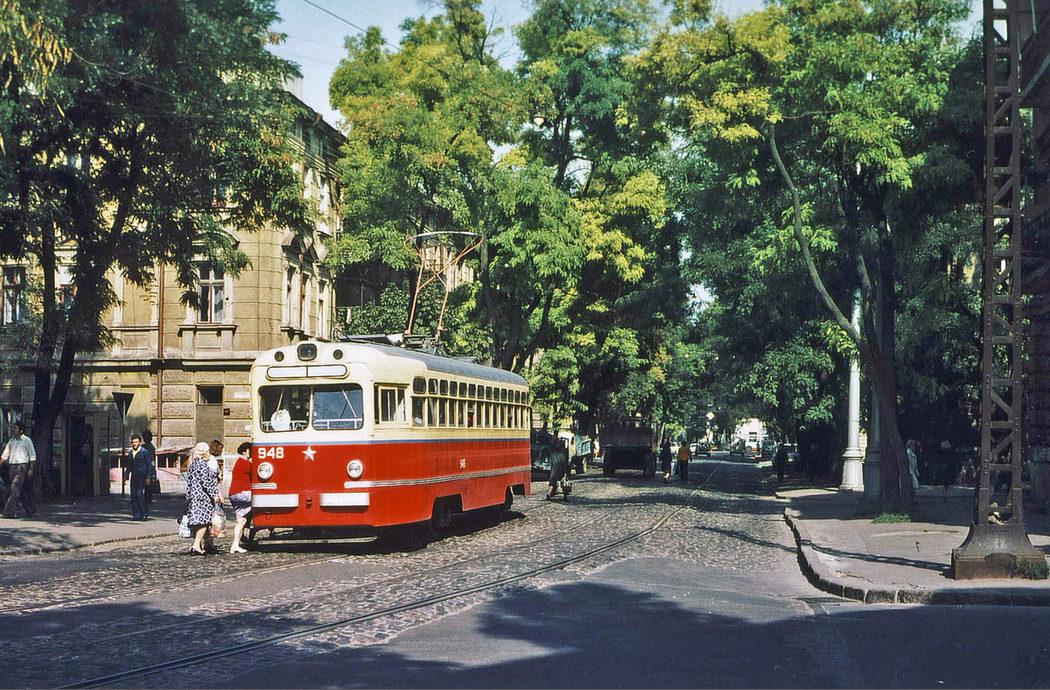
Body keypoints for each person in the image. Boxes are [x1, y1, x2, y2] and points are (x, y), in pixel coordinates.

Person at [185, 441, 220, 556]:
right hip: (202, 497)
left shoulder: (193, 464)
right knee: (203, 522)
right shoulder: (202, 464)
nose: (209, 453)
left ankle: (201, 545)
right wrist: (214, 495)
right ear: (204, 452)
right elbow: (206, 482)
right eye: (208, 451)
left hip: (194, 496)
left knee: (198, 522)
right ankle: (196, 545)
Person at [0, 421, 36, 519]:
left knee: (14, 489)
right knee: (21, 489)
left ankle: (8, 511)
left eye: (15, 428)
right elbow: (5, 455)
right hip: (12, 467)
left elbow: (32, 456)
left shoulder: (27, 440)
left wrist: (31, 469)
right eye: (13, 428)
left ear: (21, 430)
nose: (13, 430)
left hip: (22, 466)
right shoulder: (11, 441)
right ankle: (30, 509)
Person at [228, 441, 253, 553]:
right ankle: (249, 529)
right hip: (242, 493)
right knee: (263, 502)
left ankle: (236, 544)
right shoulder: (245, 463)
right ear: (244, 452)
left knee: (241, 520)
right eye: (249, 450)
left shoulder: (239, 462)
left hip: (234, 494)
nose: (251, 452)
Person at [125, 434, 156, 521]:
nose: (134, 444)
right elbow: (129, 466)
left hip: (142, 476)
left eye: (136, 442)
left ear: (139, 442)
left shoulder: (144, 452)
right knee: (133, 495)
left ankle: (144, 513)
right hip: (134, 476)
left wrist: (148, 477)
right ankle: (136, 515)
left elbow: (149, 465)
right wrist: (126, 476)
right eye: (133, 442)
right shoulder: (130, 453)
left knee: (139, 494)